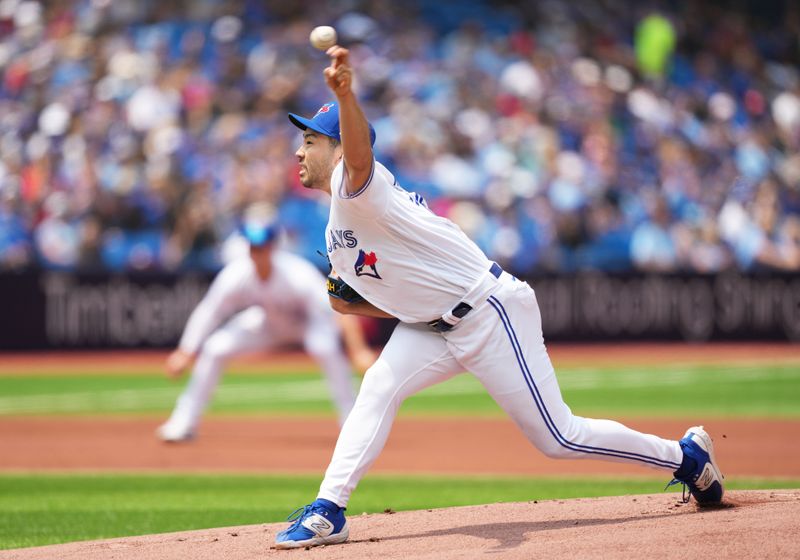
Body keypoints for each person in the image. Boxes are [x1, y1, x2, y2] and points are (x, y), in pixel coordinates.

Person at [274, 46, 724, 549]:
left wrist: (346, 95)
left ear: (337, 151)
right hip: (432, 326)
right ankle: (328, 509)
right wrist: (354, 303)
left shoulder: (358, 185)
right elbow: (380, 299)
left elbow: (358, 156)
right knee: (378, 385)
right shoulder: (339, 231)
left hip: (489, 311)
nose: (299, 150)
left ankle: (686, 457)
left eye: (311, 140)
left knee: (559, 438)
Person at [156, 204, 375, 442]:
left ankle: (352, 425)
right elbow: (210, 311)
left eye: (262, 246)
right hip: (268, 323)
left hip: (307, 324)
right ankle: (184, 422)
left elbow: (338, 310)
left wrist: (358, 350)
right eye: (253, 246)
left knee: (325, 348)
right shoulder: (237, 274)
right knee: (216, 347)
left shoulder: (297, 274)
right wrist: (186, 350)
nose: (257, 251)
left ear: (272, 246)